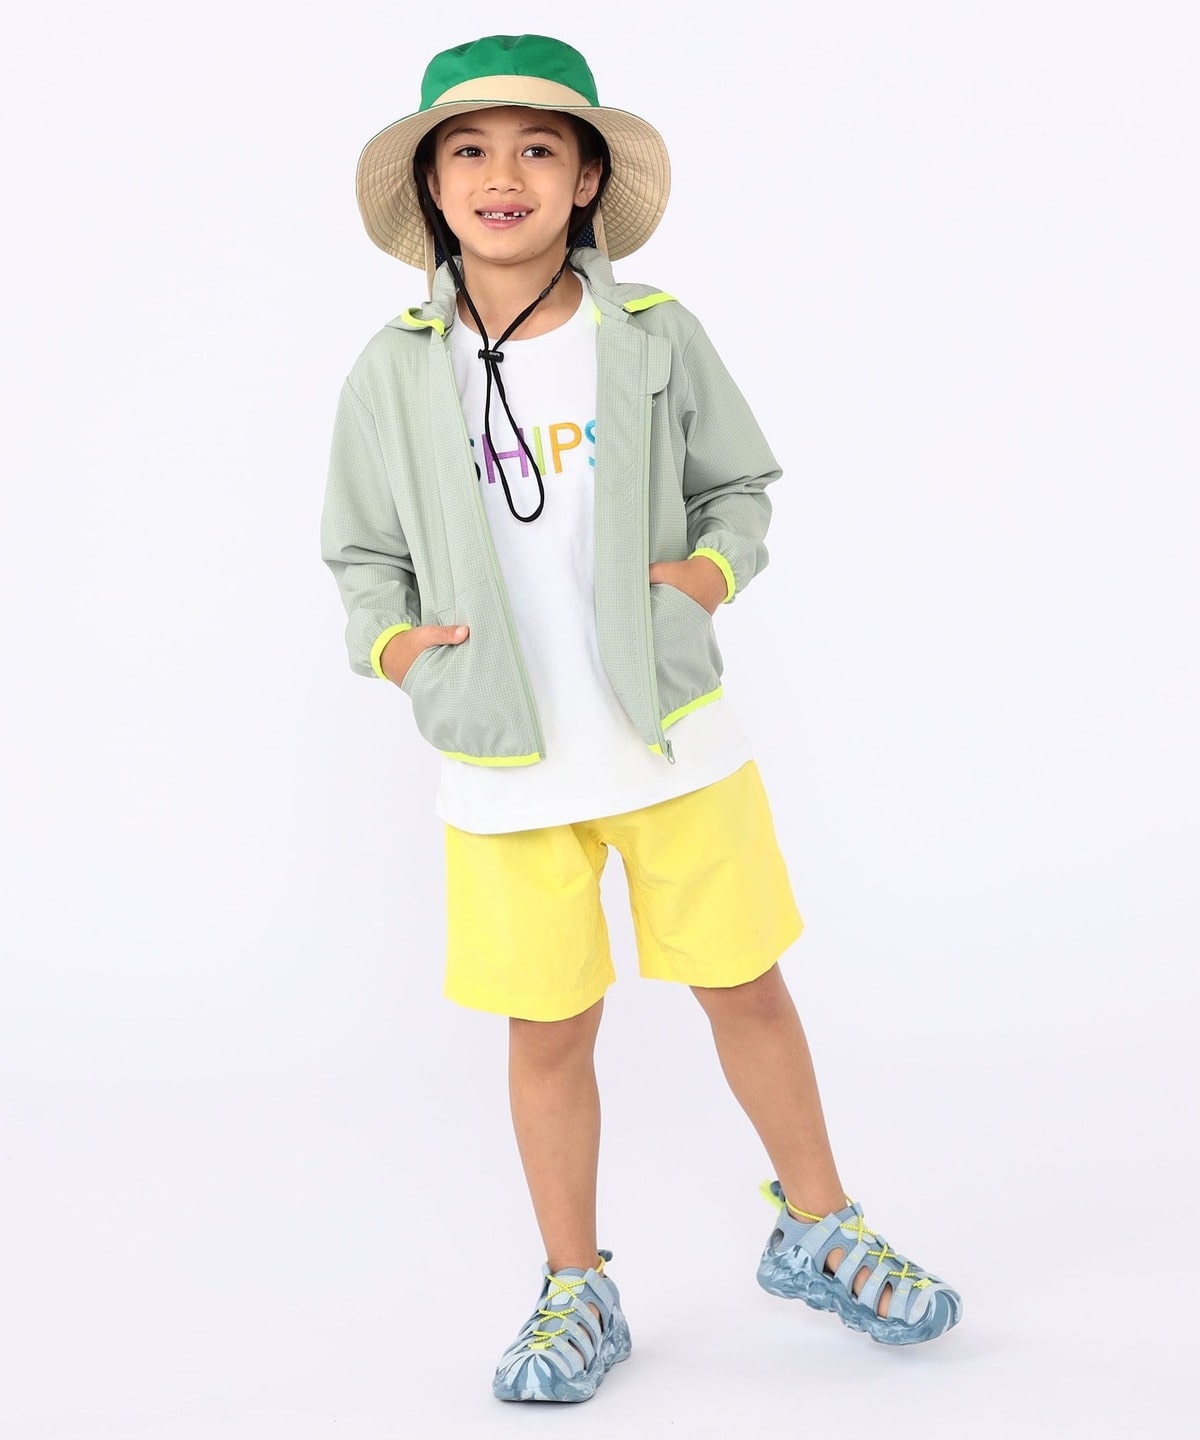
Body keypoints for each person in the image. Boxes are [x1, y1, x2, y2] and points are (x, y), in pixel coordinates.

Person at [322, 32, 961, 1405]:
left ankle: (819, 1225)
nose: (502, 172)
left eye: (538, 146)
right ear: (431, 187)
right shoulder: (392, 368)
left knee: (745, 985)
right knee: (547, 1028)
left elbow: (740, 485)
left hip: (675, 741)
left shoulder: (654, 335)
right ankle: (577, 1287)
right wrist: (396, 649)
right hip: (504, 760)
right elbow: (361, 551)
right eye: (468, 149)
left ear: (588, 179)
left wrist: (709, 574)